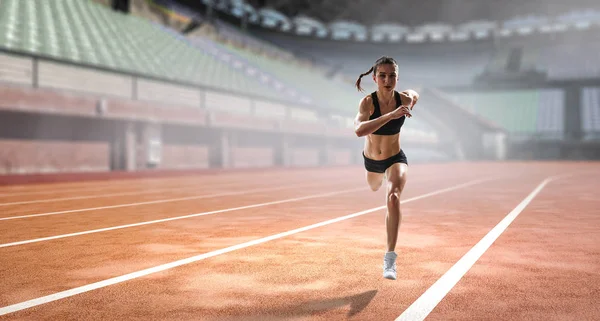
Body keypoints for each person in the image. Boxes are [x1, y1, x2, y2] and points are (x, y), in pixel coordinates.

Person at [353, 56, 419, 280]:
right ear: (374, 78)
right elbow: (359, 130)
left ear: (397, 78)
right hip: (372, 161)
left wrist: (409, 103)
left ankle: (389, 259)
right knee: (373, 186)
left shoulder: (405, 98)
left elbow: (414, 96)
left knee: (393, 197)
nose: (387, 80)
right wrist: (392, 114)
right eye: (382, 75)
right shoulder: (368, 103)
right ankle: (377, 179)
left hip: (395, 158)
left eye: (392, 76)